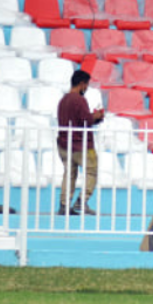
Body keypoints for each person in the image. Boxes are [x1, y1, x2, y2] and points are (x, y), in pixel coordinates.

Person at [57, 68, 105, 216]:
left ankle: (64, 205)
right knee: (91, 172)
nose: (86, 88)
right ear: (82, 84)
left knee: (69, 174)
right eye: (87, 85)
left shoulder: (63, 100)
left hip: (64, 144)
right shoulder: (79, 99)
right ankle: (81, 201)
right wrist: (97, 116)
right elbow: (86, 120)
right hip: (81, 145)